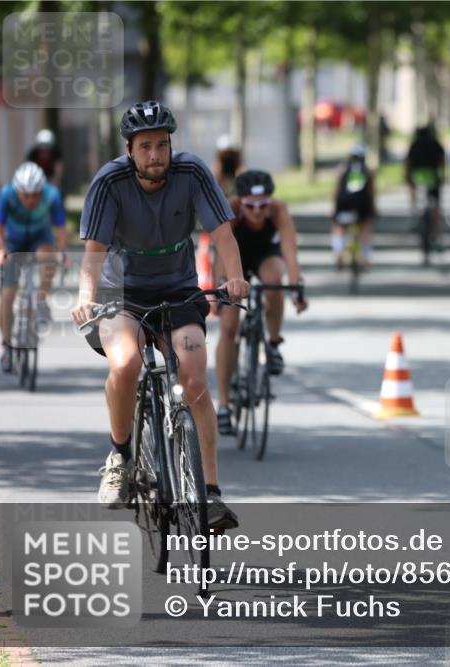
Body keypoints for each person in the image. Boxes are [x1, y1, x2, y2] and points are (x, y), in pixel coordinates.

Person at [69, 100, 249, 530]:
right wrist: (85, 296)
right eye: (145, 146)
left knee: (193, 376)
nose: (155, 155)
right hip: (121, 295)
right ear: (129, 150)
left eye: (162, 145)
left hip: (177, 289)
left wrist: (237, 277)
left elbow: (222, 233)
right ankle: (121, 456)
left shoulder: (192, 173)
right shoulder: (110, 182)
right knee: (127, 363)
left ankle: (210, 494)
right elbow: (93, 253)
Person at [215, 170, 307, 435]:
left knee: (275, 281)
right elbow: (220, 251)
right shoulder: (230, 209)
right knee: (229, 327)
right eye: (251, 206)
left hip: (266, 254)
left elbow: (290, 251)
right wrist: (221, 286)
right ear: (241, 202)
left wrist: (297, 287)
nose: (257, 212)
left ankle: (274, 343)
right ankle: (223, 404)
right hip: (235, 257)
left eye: (263, 205)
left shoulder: (279, 211)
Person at [0, 162, 68, 372]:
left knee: (49, 256)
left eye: (35, 194)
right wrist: (0, 250)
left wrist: (62, 253)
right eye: (25, 195)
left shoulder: (51, 196)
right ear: (18, 190)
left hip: (39, 240)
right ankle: (7, 347)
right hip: (13, 244)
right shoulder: (7, 194)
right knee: (7, 296)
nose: (30, 199)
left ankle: (41, 300)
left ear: (41, 190)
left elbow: (60, 229)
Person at [331, 144, 377, 269]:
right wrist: (374, 208)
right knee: (365, 230)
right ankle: (366, 259)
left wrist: (333, 208)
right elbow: (372, 192)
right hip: (362, 204)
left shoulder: (341, 169)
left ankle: (338, 256)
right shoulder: (368, 171)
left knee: (339, 229)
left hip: (344, 203)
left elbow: (336, 191)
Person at [404, 123, 445, 246]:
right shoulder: (436, 145)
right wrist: (441, 177)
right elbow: (442, 162)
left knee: (413, 194)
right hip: (433, 178)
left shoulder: (414, 145)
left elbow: (407, 163)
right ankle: (437, 233)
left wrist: (407, 177)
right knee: (436, 206)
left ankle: (413, 212)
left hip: (417, 178)